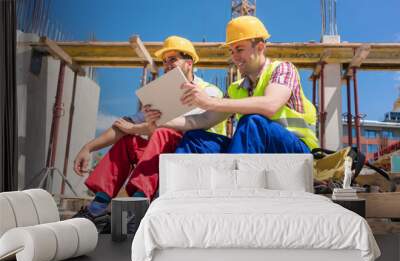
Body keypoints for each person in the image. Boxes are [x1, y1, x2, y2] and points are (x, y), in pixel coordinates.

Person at [72, 36, 225, 223]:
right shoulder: (162, 96)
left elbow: (195, 123)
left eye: (172, 59)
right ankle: (97, 207)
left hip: (197, 154)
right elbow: (125, 125)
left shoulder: (208, 92)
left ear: (189, 63)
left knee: (162, 132)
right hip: (164, 153)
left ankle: (137, 208)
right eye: (164, 61)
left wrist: (139, 127)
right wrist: (89, 147)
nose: (167, 65)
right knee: (129, 141)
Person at [145, 16, 319, 154]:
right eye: (232, 51)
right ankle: (180, 196)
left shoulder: (282, 69)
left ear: (259, 47)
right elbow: (204, 119)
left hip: (296, 152)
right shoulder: (236, 88)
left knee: (253, 121)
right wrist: (162, 121)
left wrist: (210, 102)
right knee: (195, 137)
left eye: (240, 49)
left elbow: (271, 104)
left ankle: (234, 188)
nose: (234, 57)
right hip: (257, 150)